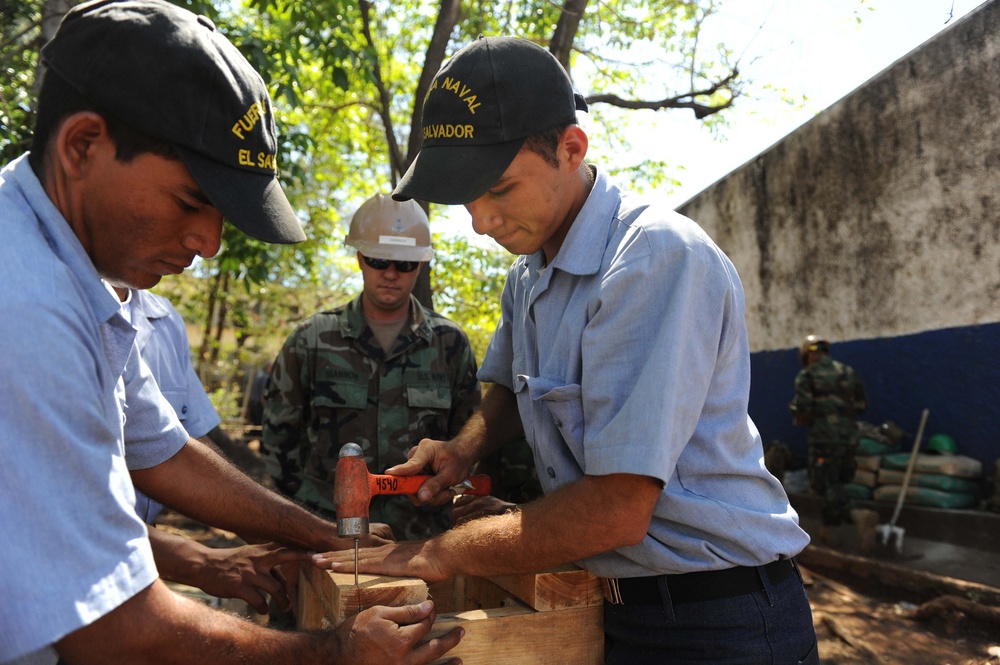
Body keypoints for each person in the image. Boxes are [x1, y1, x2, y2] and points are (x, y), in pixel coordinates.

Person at [314, 36, 819, 664]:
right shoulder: (528, 272)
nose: (480, 220)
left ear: (571, 149)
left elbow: (616, 509)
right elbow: (509, 389)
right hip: (615, 604)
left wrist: (437, 552)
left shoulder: (652, 259)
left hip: (717, 620)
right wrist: (462, 448)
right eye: (467, 198)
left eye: (499, 188)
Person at [0, 2, 462, 663]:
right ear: (82, 146)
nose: (208, 244)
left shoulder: (97, 285)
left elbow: (160, 451)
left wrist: (327, 537)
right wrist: (333, 652)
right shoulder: (25, 307)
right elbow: (115, 629)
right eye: (192, 202)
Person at [262, 193, 481, 540]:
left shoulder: (449, 344)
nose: (391, 274)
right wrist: (306, 523)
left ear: (420, 265)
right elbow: (279, 443)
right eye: (380, 260)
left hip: (421, 535)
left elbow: (467, 441)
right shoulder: (313, 339)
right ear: (361, 258)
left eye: (405, 264)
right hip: (328, 531)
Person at [789, 334, 878, 552]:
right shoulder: (847, 371)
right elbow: (861, 405)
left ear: (808, 355)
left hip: (824, 439)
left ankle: (857, 515)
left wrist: (799, 411)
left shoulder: (807, 376)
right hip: (850, 438)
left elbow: (804, 409)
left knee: (824, 484)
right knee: (837, 483)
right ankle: (829, 530)